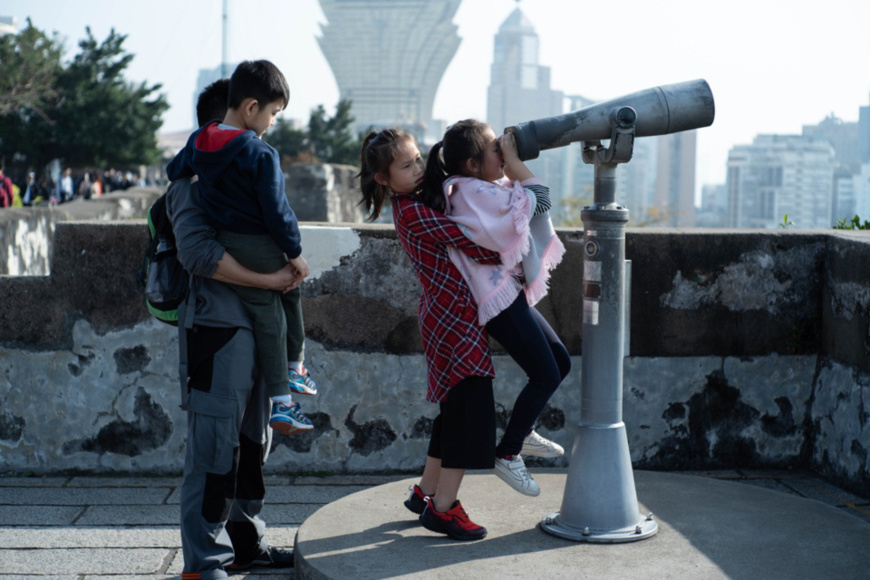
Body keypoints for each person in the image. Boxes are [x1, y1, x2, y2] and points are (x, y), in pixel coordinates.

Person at [358, 128, 564, 541]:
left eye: (418, 158)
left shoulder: (416, 200)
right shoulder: (413, 211)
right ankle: (444, 509)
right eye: (405, 165)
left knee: (454, 410)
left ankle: (426, 492)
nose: (417, 168)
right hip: (452, 319)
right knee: (469, 414)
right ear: (382, 179)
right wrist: (505, 236)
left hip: (452, 314)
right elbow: (472, 241)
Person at [168, 78, 296, 577]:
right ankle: (204, 560)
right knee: (213, 451)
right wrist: (268, 278)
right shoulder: (191, 184)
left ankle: (245, 545)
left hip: (260, 330)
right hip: (217, 332)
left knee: (251, 448)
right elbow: (198, 254)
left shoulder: (249, 174)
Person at [422, 119, 571, 498]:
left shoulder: (477, 188)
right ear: (473, 165)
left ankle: (523, 430)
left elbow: (522, 202)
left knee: (560, 362)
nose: (501, 155)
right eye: (495, 150)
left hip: (507, 293)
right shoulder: (473, 192)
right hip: (497, 301)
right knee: (546, 374)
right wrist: (517, 162)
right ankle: (508, 451)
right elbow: (538, 201)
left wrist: (506, 160)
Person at [167, 60, 316, 437]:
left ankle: (294, 375)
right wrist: (294, 253)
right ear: (252, 108)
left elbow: (175, 171)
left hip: (225, 240)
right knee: (278, 307)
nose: (272, 123)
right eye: (274, 114)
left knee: (274, 303)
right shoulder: (260, 153)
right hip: (258, 242)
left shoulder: (200, 140)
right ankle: (285, 397)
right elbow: (277, 212)